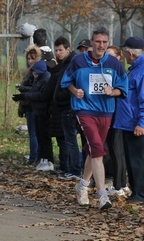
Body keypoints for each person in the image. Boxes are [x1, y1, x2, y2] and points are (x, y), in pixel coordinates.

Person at [60, 26, 128, 210]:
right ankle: (102, 195)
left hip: (105, 112)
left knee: (92, 150)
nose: (101, 45)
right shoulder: (78, 61)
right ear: (91, 42)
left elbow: (123, 86)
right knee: (97, 149)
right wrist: (76, 91)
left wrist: (112, 91)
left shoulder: (114, 64)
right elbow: (65, 81)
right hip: (84, 110)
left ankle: (82, 186)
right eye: (98, 41)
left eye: (105, 42)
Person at [113, 36, 144, 204]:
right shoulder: (134, 68)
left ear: (131, 53)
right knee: (131, 159)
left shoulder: (141, 71)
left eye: (124, 52)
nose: (124, 55)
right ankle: (136, 192)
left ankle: (140, 194)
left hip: (135, 124)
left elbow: (143, 99)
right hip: (127, 123)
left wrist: (141, 123)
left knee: (137, 160)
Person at [12, 60, 53, 171]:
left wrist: (23, 96)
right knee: (39, 136)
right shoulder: (38, 79)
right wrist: (23, 91)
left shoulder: (45, 79)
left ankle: (47, 160)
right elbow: (34, 90)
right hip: (37, 110)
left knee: (44, 137)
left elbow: (39, 94)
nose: (33, 75)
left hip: (43, 111)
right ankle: (41, 158)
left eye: (35, 72)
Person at [53, 38, 81, 180]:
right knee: (68, 140)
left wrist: (61, 95)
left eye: (60, 50)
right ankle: (71, 167)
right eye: (56, 50)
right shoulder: (65, 63)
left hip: (69, 106)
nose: (58, 53)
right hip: (64, 106)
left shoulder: (72, 63)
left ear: (68, 49)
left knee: (70, 140)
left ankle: (75, 169)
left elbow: (72, 84)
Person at [103, 45, 129, 197]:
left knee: (115, 150)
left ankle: (118, 185)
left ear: (119, 57)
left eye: (111, 56)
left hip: (116, 115)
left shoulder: (118, 73)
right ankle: (123, 184)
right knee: (117, 151)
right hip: (116, 114)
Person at [16, 44, 41, 165]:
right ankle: (34, 156)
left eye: (32, 58)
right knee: (33, 133)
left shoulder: (35, 73)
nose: (30, 61)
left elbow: (33, 89)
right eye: (28, 58)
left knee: (33, 133)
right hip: (28, 106)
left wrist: (22, 88)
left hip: (33, 106)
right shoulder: (30, 72)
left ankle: (33, 158)